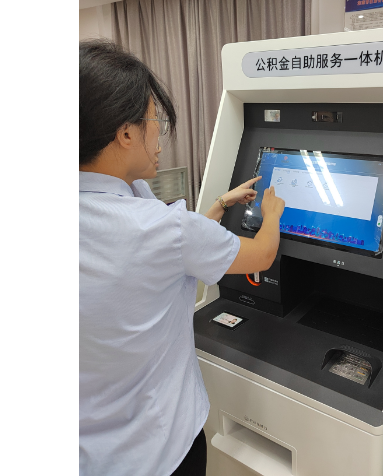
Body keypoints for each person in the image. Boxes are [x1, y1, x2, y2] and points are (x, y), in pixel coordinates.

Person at [79, 39, 285, 476]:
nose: (159, 137)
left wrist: (219, 205)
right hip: (160, 450)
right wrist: (272, 214)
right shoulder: (165, 230)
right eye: (155, 121)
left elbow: (163, 253)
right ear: (126, 132)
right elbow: (263, 254)